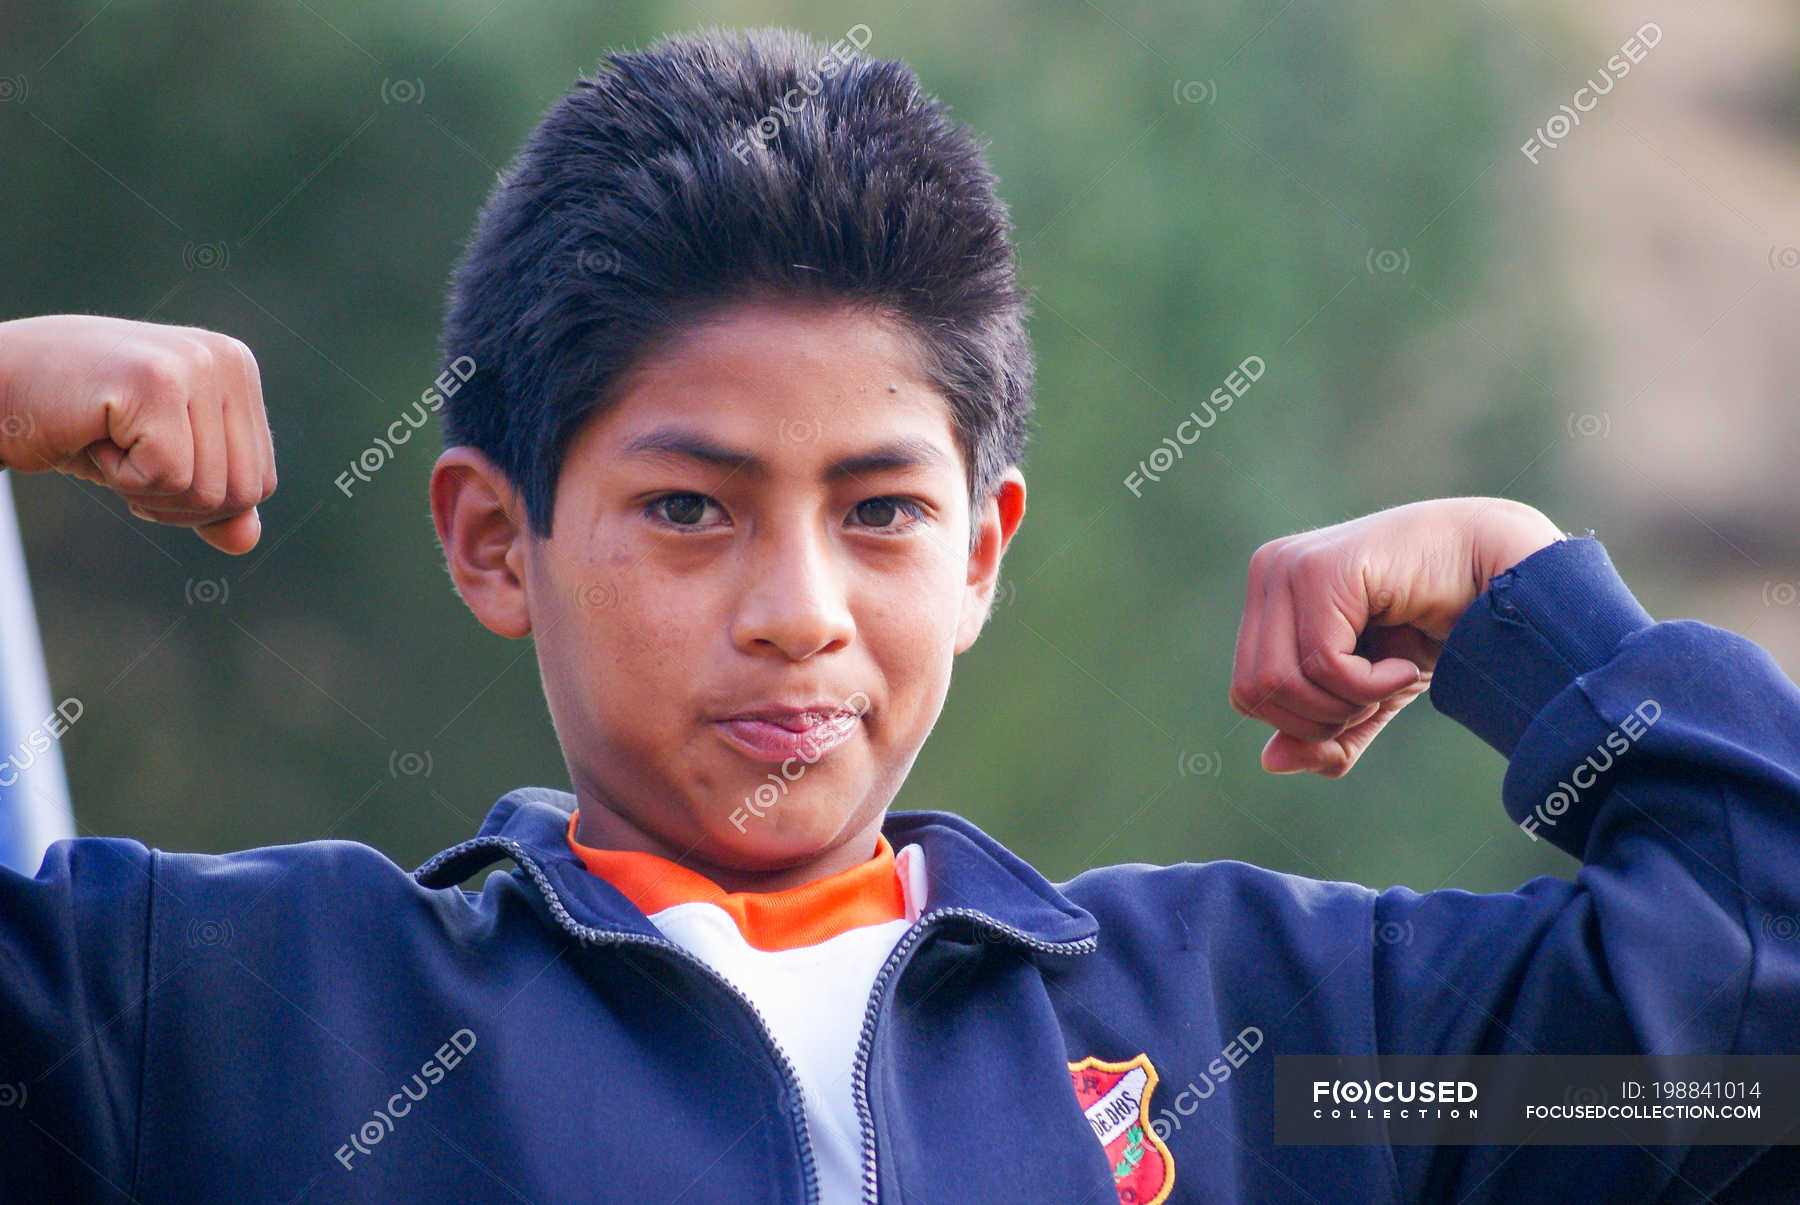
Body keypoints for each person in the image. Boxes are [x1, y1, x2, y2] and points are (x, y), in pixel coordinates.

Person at [1, 25, 1796, 1205]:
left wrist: (1526, 603)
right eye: (690, 508)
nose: (799, 613)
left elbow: (1752, 1046)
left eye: (880, 513)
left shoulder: (1272, 1049)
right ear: (493, 538)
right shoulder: (227, 1016)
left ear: (985, 551)